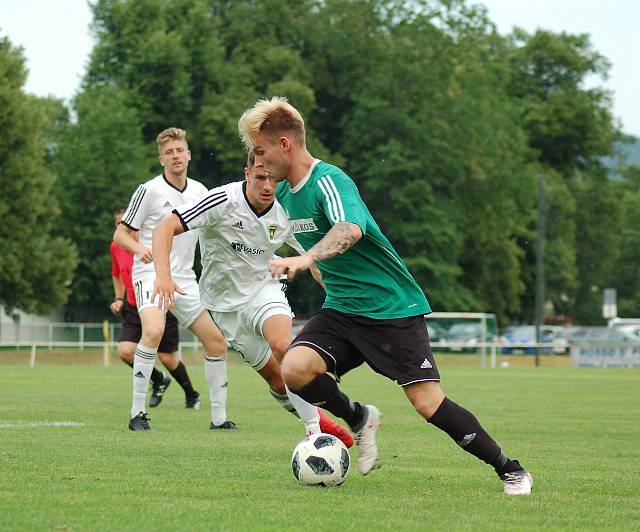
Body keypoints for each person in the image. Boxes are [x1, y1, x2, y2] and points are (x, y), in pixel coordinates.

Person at [238, 96, 532, 495]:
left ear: (285, 144)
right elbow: (327, 258)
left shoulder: (329, 180)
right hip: (342, 310)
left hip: (391, 308)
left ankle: (510, 468)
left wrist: (304, 259)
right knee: (294, 368)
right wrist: (314, 269)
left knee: (428, 404)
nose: (257, 160)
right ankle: (359, 418)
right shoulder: (286, 196)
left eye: (261, 150)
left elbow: (348, 230)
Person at [152, 152, 354, 448]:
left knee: (284, 347)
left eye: (273, 179)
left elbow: (313, 258)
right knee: (276, 380)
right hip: (224, 307)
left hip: (265, 287)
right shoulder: (221, 200)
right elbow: (165, 226)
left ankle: (315, 434)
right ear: (247, 173)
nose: (267, 186)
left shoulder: (285, 209)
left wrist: (336, 292)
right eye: (260, 177)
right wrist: (163, 276)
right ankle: (316, 419)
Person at [113, 127, 233, 431]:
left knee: (217, 342)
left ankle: (219, 419)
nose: (175, 156)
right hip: (151, 275)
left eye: (180, 150)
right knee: (152, 332)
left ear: (189, 154)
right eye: (169, 152)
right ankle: (137, 414)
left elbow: (215, 231)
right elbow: (121, 233)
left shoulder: (201, 191)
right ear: (161, 159)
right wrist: (140, 249)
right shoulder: (149, 190)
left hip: (184, 279)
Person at [110, 206, 199, 408]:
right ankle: (158, 380)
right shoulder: (116, 247)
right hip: (133, 305)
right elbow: (116, 274)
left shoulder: (151, 243)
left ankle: (191, 394)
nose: (127, 228)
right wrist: (118, 297)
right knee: (125, 351)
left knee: (167, 358)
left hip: (158, 302)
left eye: (130, 223)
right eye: (119, 224)